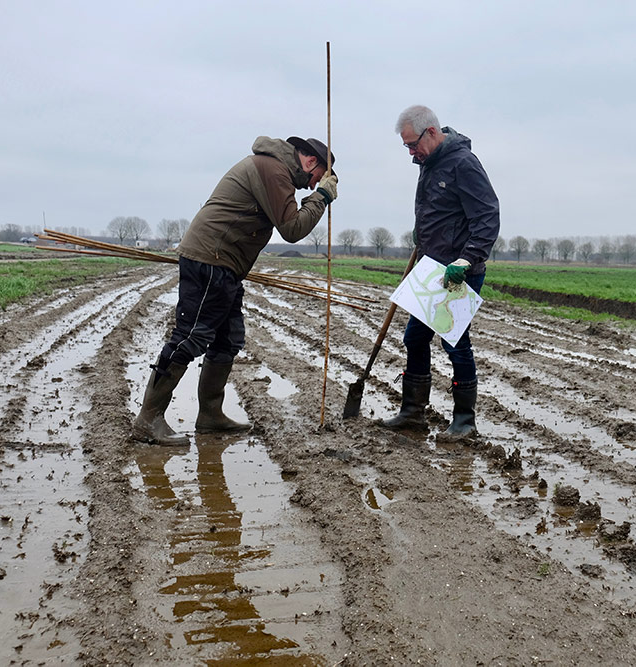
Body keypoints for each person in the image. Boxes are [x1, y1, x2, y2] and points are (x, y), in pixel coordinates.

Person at [132, 136, 338, 445]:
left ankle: (210, 416)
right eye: (316, 177)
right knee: (191, 336)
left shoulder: (275, 168)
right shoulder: (274, 170)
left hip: (223, 264)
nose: (310, 186)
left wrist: (318, 192)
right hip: (210, 259)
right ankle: (148, 419)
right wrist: (322, 196)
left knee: (228, 339)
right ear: (310, 162)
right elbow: (293, 229)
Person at [380, 105, 499, 439]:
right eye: (406, 146)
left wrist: (467, 259)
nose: (410, 152)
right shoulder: (429, 163)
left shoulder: (463, 163)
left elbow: (488, 215)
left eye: (411, 144)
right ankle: (412, 413)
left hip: (457, 271)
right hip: (431, 268)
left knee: (455, 342)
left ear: (431, 132)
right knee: (414, 338)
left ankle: (464, 422)